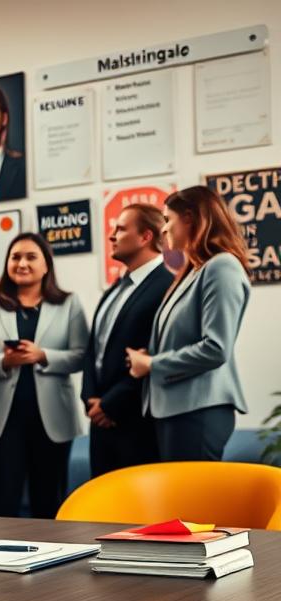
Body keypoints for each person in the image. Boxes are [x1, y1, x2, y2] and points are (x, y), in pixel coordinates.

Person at [126, 186, 251, 462]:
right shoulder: (192, 271)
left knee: (194, 505)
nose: (164, 229)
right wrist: (152, 357)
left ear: (190, 218)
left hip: (197, 412)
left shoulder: (222, 267)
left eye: (168, 219)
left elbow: (216, 348)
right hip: (176, 411)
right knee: (181, 504)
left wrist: (152, 365)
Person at [0, 233, 88, 518]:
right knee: (4, 503)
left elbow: (81, 355)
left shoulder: (69, 303)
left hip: (53, 418)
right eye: (15, 257)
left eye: (30, 257)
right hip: (4, 420)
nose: (22, 263)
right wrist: (5, 361)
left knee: (49, 503)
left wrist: (43, 355)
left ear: (46, 265)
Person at [81, 204, 173, 477]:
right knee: (103, 515)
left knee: (138, 517)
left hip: (136, 423)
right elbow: (93, 350)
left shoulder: (167, 286)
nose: (111, 235)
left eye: (120, 229)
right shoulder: (117, 287)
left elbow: (153, 356)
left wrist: (110, 405)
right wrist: (90, 398)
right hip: (99, 421)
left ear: (146, 237)